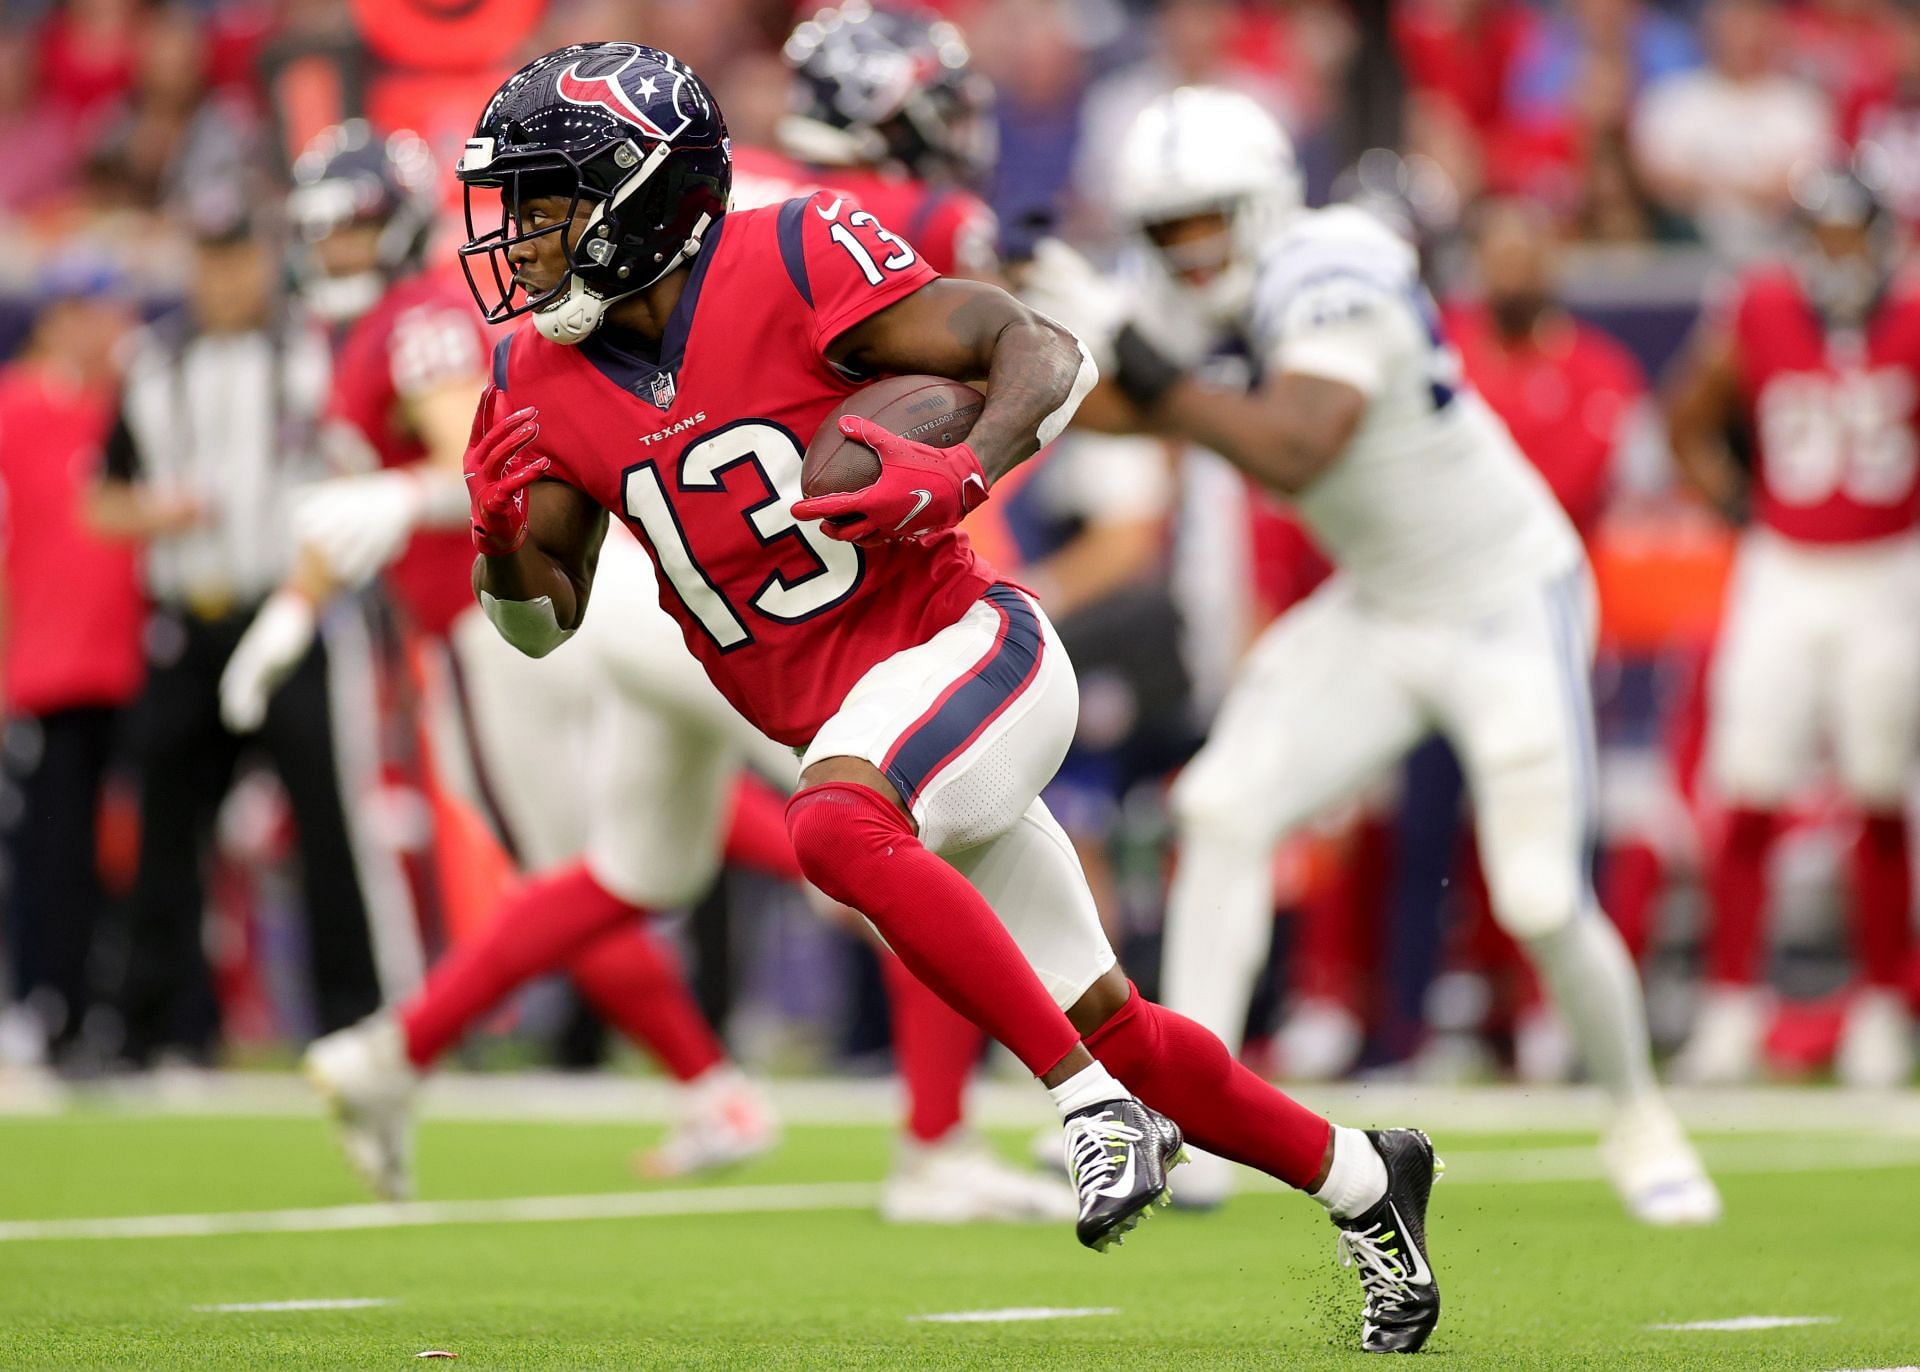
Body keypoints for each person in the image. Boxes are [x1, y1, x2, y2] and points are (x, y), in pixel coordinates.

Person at [454, 41, 1442, 1353]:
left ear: (645, 201)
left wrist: (963, 470)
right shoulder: (539, 377)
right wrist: (499, 544)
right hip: (865, 723)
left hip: (970, 650)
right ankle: (1371, 1182)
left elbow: (1037, 349)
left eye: (547, 202)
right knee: (1126, 1025)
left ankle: (1085, 1110)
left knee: (833, 827)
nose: (518, 240)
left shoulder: (797, 253)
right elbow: (542, 626)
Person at [1024, 86, 1719, 1226]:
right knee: (1221, 810)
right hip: (1383, 601)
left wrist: (1142, 357)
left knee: (1542, 895)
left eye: (1205, 222)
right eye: (1166, 230)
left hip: (1502, 598)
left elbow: (1295, 446)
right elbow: (1133, 411)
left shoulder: (1333, 262)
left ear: (1258, 204)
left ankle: (1641, 1114)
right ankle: (1189, 1111)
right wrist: (1055, 340)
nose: (1187, 250)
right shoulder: (1200, 289)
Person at [216, 122, 779, 1195]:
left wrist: (395, 500)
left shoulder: (416, 322)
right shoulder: (384, 322)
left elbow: (464, 470)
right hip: (547, 608)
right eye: (322, 234)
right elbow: (368, 510)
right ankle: (712, 1084)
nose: (332, 253)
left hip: (511, 618)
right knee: (638, 846)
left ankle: (431, 1053)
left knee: (572, 878)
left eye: (352, 231)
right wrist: (294, 609)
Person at [88, 195, 389, 1065]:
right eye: (210, 259)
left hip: (286, 611)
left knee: (327, 826)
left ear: (265, 260)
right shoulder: (149, 363)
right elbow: (100, 501)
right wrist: (154, 512)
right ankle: (153, 1027)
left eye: (239, 257)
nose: (226, 278)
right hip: (187, 623)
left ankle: (353, 1021)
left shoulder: (311, 350)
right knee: (164, 831)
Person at [1664, 165, 1920, 1089]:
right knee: (1752, 783)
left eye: (1855, 237)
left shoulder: (1913, 314)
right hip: (1784, 565)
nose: (1840, 257)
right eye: (1826, 237)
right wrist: (1732, 502)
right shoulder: (1762, 310)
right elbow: (1686, 412)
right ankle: (1734, 1004)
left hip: (1888, 565)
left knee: (1879, 789)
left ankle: (1881, 1009)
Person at [0, 258, 140, 1068]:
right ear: (57, 320)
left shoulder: (120, 408)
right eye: (92, 313)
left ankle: (105, 1011)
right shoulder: (20, 408)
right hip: (46, 673)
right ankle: (43, 1003)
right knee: (47, 850)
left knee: (124, 852)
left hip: (126, 663)